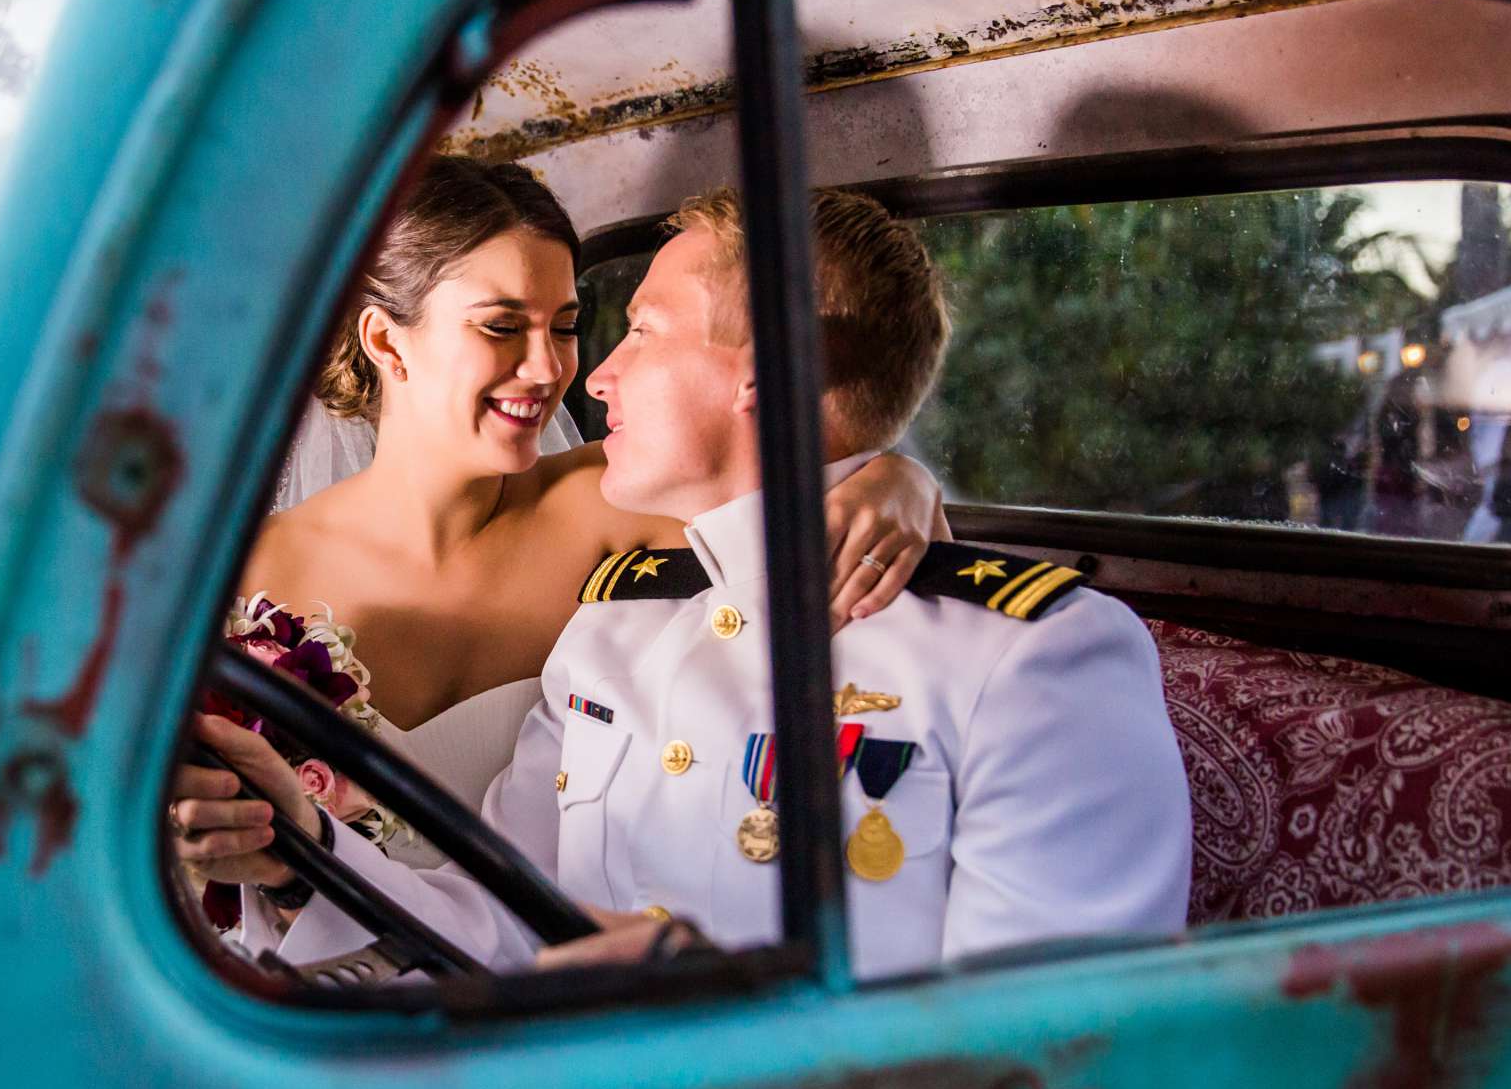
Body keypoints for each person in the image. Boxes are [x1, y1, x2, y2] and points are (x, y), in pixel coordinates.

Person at [177, 187, 1191, 981]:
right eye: (505, 325)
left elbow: (1049, 1074)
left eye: (635, 329)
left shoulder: (1033, 655)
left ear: (776, 368)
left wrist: (894, 470)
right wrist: (300, 843)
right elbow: (503, 917)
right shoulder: (611, 633)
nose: (587, 374)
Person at [235, 156, 946, 868]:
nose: (549, 368)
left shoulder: (615, 497)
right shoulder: (247, 574)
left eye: (566, 327)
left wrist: (898, 481)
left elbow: (810, 495)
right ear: (387, 342)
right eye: (502, 326)